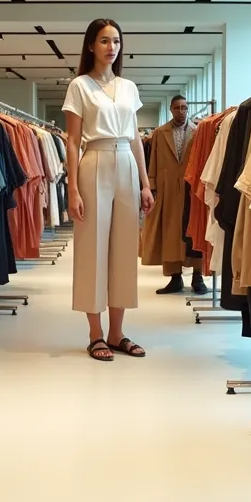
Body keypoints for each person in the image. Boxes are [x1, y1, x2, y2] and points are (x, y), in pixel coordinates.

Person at [63, 18, 154, 362]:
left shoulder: (129, 87)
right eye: (104, 40)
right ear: (91, 45)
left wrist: (146, 184)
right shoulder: (80, 86)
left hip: (126, 163)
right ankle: (95, 334)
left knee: (123, 248)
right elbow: (72, 141)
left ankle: (118, 333)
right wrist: (73, 188)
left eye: (116, 41)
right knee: (92, 247)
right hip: (94, 160)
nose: (111, 47)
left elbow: (135, 139)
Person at [142, 95, 207, 294]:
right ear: (171, 109)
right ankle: (175, 277)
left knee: (193, 229)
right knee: (169, 232)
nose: (181, 111)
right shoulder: (160, 133)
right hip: (167, 187)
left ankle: (198, 276)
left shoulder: (198, 132)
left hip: (191, 188)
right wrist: (151, 185)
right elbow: (152, 160)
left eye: (185, 107)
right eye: (178, 107)